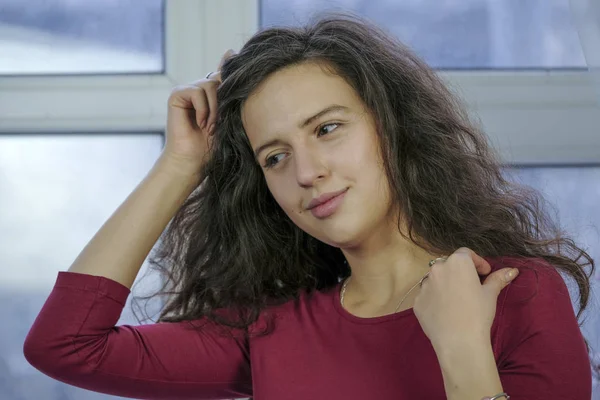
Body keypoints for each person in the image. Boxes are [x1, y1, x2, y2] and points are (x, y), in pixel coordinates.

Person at [23, 13, 595, 400]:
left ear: (392, 127)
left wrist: (463, 347)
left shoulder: (514, 293)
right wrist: (181, 162)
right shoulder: (270, 330)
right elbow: (65, 345)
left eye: (327, 128)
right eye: (274, 157)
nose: (306, 172)